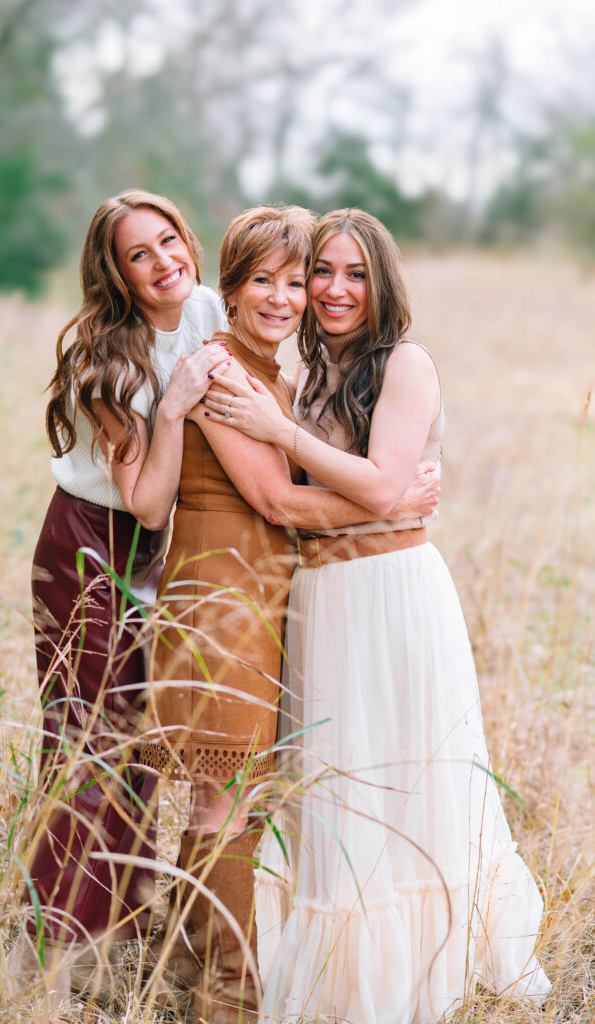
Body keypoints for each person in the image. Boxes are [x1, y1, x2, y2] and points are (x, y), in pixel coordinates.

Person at [202, 208, 551, 1022]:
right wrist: (374, 496)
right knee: (339, 784)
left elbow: (382, 481)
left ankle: (430, 963)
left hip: (394, 598)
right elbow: (353, 495)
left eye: (353, 273)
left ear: (381, 282)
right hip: (323, 603)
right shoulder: (307, 370)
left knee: (411, 774)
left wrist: (293, 439)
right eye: (319, 270)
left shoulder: (406, 363)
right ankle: (340, 977)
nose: (331, 288)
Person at [138, 205, 440, 1024]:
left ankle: (190, 968)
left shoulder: (273, 373)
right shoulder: (223, 373)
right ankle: (228, 1001)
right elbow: (279, 500)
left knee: (234, 799)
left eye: (289, 280)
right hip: (221, 606)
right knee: (224, 800)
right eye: (259, 281)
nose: (281, 298)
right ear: (226, 289)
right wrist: (394, 507)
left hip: (261, 601)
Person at [12, 189, 230, 1008]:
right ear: (117, 274)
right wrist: (171, 407)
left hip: (157, 553)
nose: (163, 261)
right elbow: (144, 500)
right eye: (139, 255)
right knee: (87, 740)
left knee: (140, 737)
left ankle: (124, 926)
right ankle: (54, 944)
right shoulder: (107, 358)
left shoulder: (210, 308)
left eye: (168, 239)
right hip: (91, 545)